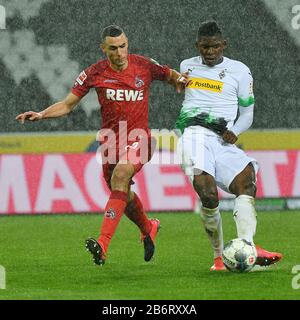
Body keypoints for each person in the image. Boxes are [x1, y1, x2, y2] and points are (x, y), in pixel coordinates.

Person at [16, 25, 188, 266]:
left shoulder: (144, 65)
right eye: (113, 48)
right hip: (111, 144)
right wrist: (42, 114)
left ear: (127, 44)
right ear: (103, 48)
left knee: (121, 174)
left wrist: (181, 80)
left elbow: (171, 76)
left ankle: (103, 244)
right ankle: (148, 227)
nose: (119, 53)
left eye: (123, 46)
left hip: (142, 139)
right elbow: (67, 105)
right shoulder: (94, 73)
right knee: (122, 193)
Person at [176, 20, 282, 271]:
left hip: (222, 140)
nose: (210, 52)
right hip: (193, 137)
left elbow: (247, 113)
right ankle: (218, 258)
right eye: (204, 47)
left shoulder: (240, 71)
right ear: (197, 46)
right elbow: (180, 86)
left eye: (214, 47)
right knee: (208, 194)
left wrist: (235, 131)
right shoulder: (186, 66)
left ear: (224, 45)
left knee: (247, 180)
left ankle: (247, 245)